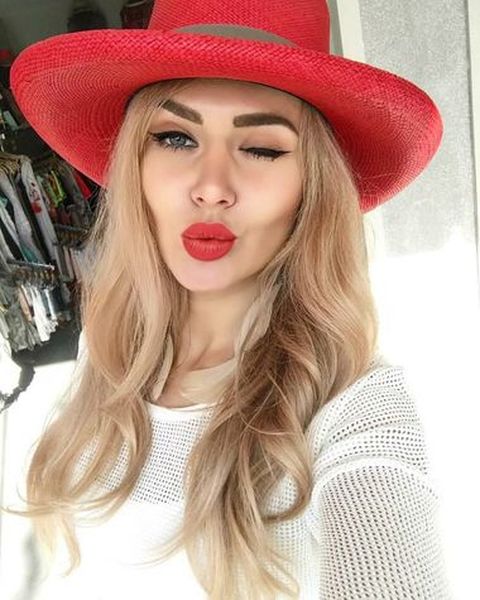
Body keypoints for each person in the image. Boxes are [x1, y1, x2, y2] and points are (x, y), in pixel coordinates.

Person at [1, 0, 453, 598]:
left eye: (261, 148)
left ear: (312, 187)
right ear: (135, 163)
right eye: (175, 137)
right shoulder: (104, 350)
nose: (211, 187)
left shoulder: (354, 408)